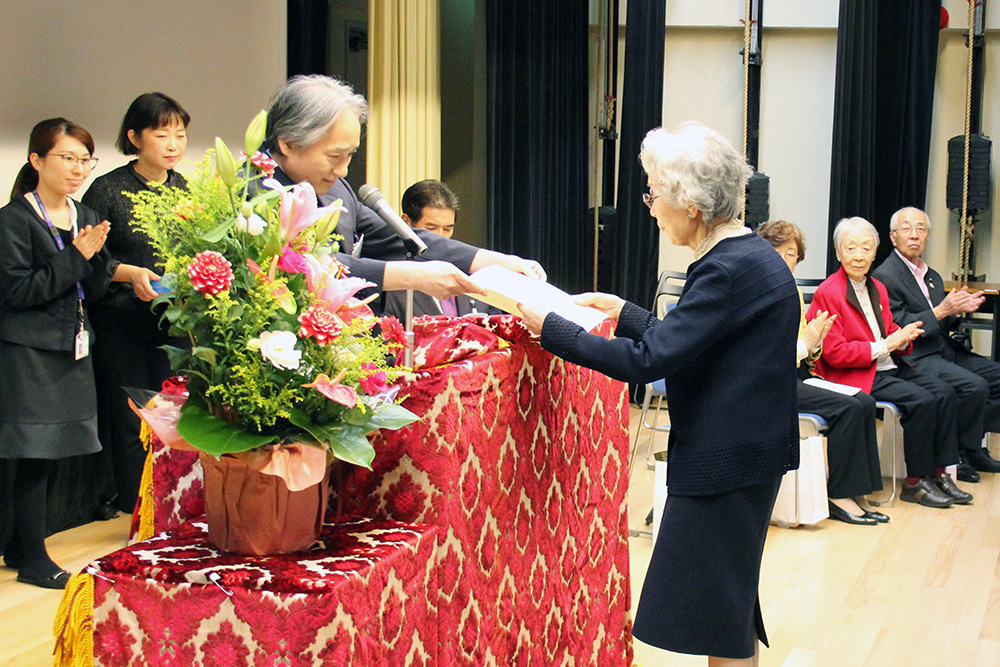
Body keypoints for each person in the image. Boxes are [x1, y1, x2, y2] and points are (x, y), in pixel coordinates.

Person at [521, 123, 799, 665]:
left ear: (690, 203)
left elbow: (651, 362)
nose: (648, 205)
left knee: (722, 611)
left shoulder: (728, 268)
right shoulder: (744, 256)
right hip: (746, 452)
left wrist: (555, 329)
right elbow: (694, 340)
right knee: (728, 610)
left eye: (653, 190)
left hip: (729, 461)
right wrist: (623, 312)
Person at [263, 74, 545, 310]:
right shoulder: (251, 193)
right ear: (288, 144)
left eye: (350, 156)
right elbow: (306, 264)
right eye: (335, 156)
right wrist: (412, 276)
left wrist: (496, 260)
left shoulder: (336, 189)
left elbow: (401, 238)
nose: (344, 170)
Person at [0, 118, 115, 588]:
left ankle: (18, 546)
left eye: (84, 159)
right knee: (34, 455)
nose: (77, 168)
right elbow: (18, 291)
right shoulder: (13, 221)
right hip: (28, 354)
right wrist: (75, 257)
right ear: (37, 161)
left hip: (73, 348)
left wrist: (98, 263)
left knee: (52, 456)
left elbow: (96, 284)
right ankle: (33, 560)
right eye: (67, 158)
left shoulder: (83, 214)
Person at [807, 217, 971, 508]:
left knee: (944, 392)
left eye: (866, 248)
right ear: (838, 252)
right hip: (857, 374)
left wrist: (904, 337)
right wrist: (887, 344)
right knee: (921, 400)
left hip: (887, 366)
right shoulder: (828, 292)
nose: (858, 255)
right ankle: (914, 481)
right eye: (851, 248)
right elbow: (835, 354)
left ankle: (940, 472)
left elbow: (888, 328)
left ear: (875, 252)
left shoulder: (877, 287)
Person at [81, 92, 191, 514]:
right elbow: (91, 258)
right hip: (121, 321)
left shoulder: (185, 190)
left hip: (172, 322)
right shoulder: (108, 190)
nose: (172, 144)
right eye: (161, 133)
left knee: (172, 414)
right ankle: (134, 507)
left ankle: (171, 503)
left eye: (180, 135)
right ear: (135, 137)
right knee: (132, 419)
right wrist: (131, 276)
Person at [757, 220, 886, 525]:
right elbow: (769, 357)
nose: (784, 259)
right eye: (777, 252)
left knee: (863, 402)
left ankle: (858, 491)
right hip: (772, 383)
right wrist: (807, 344)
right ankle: (838, 495)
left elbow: (806, 351)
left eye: (791, 254)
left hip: (795, 376)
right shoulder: (760, 294)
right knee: (847, 409)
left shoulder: (791, 291)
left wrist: (814, 343)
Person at [872, 206, 1000, 482]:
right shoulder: (886, 276)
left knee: (995, 377)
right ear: (894, 238)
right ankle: (961, 455)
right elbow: (898, 325)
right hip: (916, 355)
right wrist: (941, 311)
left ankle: (972, 443)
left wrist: (955, 312)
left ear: (928, 236)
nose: (914, 235)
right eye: (906, 228)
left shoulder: (932, 275)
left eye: (921, 229)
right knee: (974, 386)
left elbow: (943, 322)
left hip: (944, 348)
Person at [381, 179, 493, 319]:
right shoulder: (392, 279)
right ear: (406, 222)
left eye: (447, 229)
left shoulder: (474, 275)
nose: (441, 237)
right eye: (431, 228)